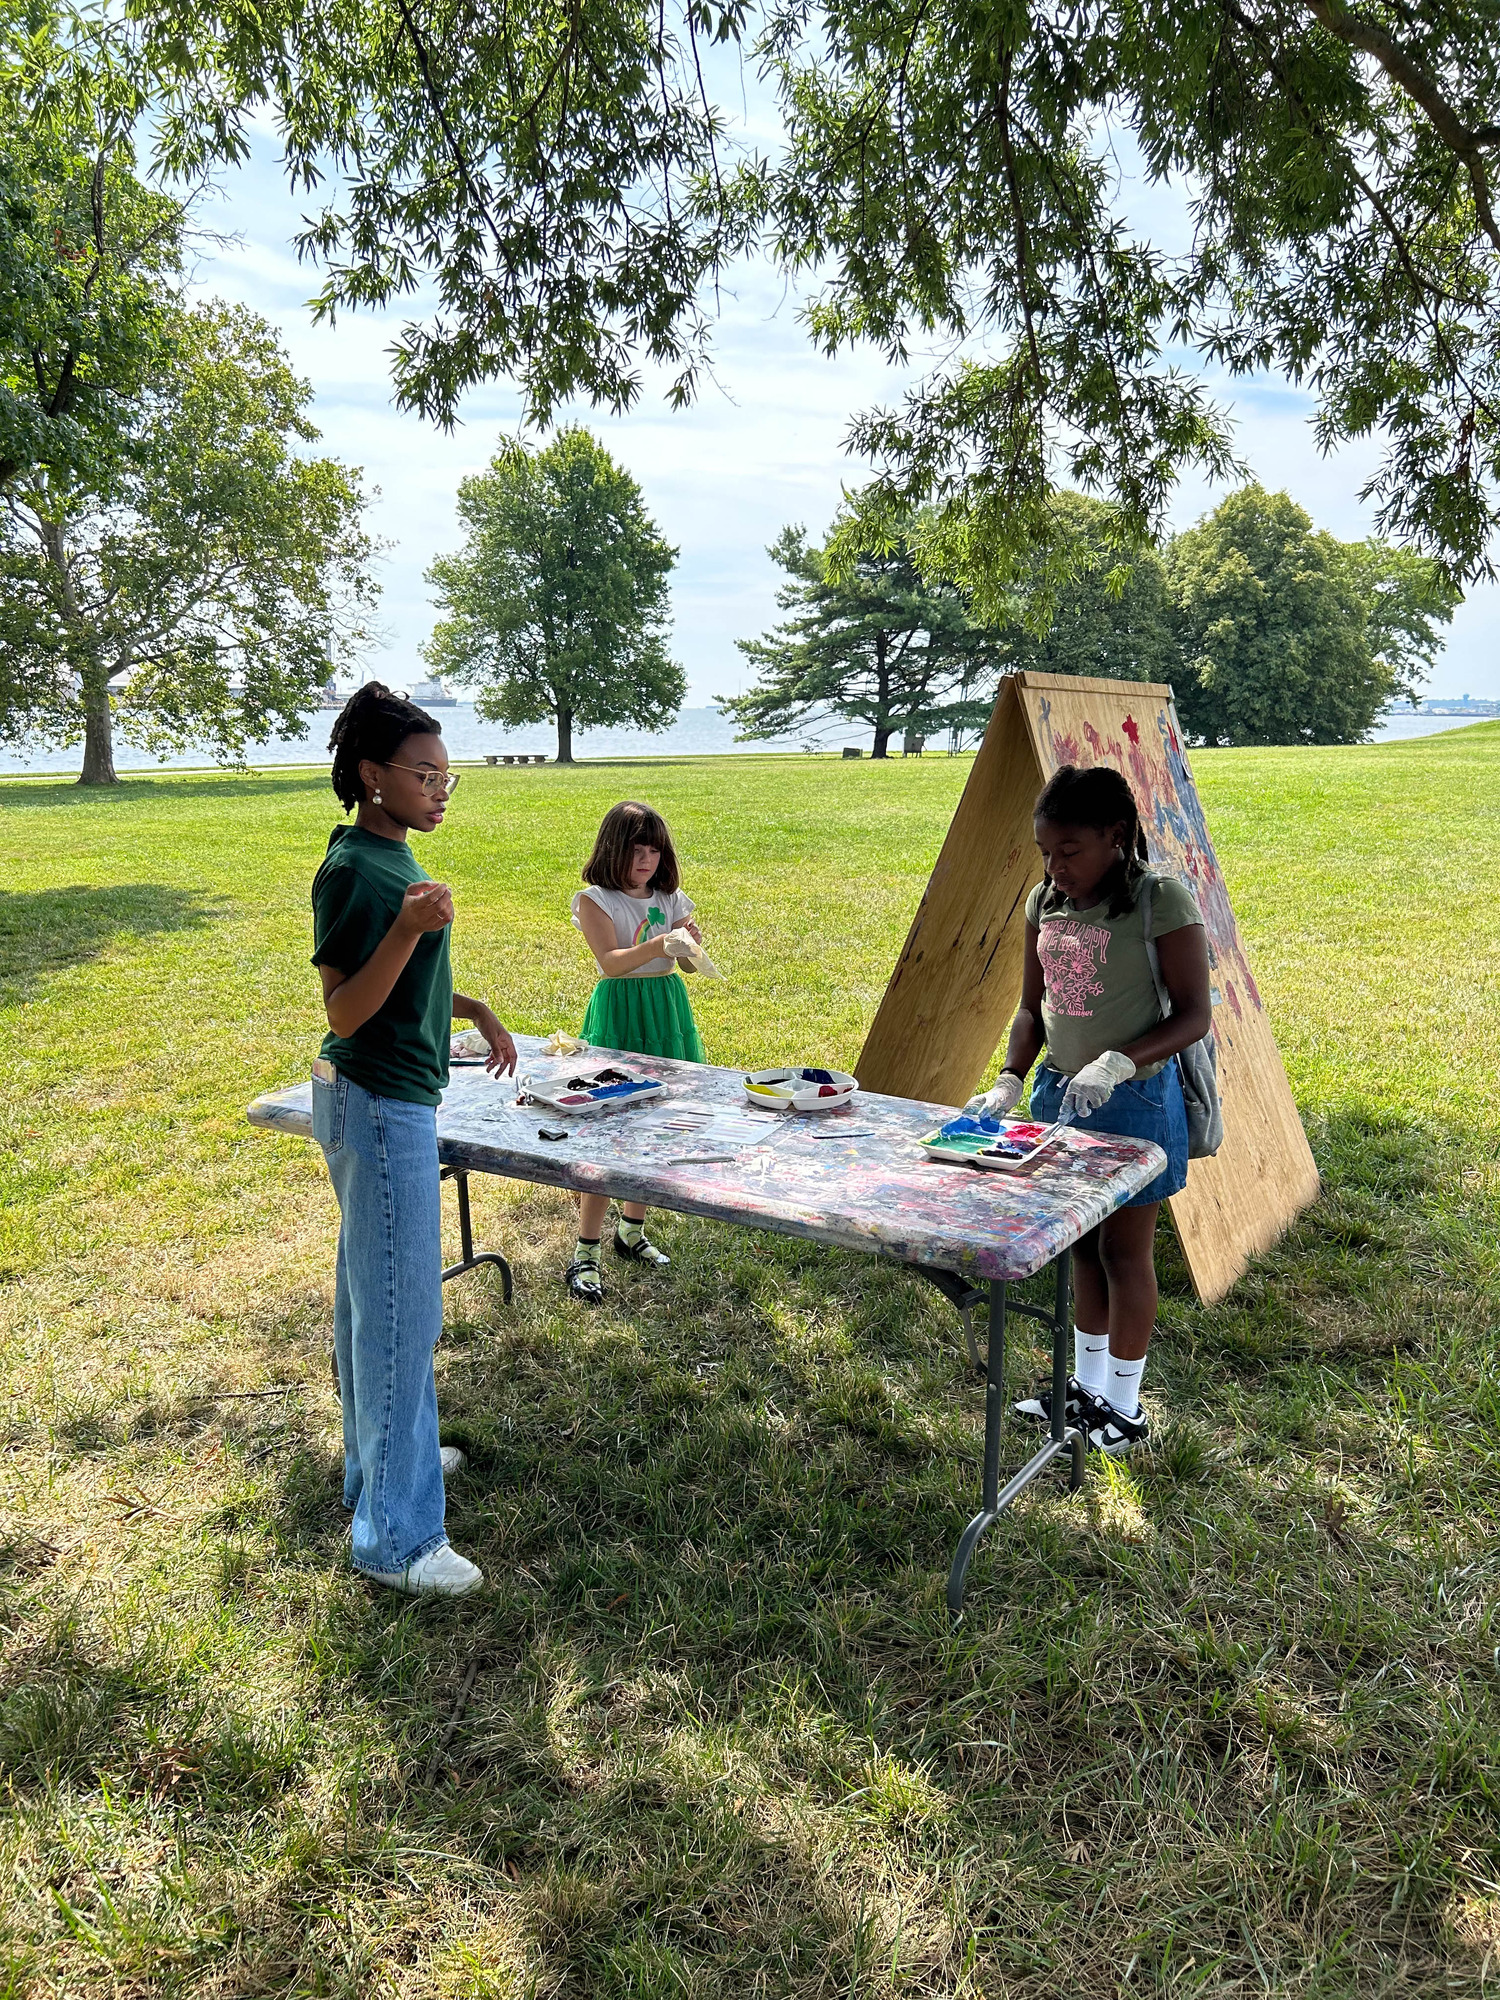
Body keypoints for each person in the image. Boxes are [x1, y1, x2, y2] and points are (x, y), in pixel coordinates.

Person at [310, 682, 517, 1596]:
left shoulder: (385, 854)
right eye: (423, 774)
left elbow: (401, 982)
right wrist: (406, 926)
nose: (439, 790)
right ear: (372, 775)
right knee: (400, 1312)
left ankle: (384, 1467)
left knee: (374, 1302)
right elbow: (346, 1008)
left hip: (386, 1097)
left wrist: (472, 1006)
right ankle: (396, 1540)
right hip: (376, 1100)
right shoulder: (358, 871)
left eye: (446, 777)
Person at [967, 763, 1212, 1454]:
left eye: (1070, 851)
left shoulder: (1160, 901)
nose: (1056, 867)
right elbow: (1031, 1007)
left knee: (1123, 1251)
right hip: (1060, 1097)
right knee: (1079, 1244)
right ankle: (1086, 1387)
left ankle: (1124, 1409)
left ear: (1117, 835)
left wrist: (1119, 1061)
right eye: (1046, 851)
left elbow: (1194, 1014)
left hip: (1133, 1097)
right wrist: (1010, 1078)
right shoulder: (1044, 902)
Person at [566, 800, 707, 1301]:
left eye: (654, 850)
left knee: (654, 1121)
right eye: (635, 850)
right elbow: (610, 963)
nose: (646, 860)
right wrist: (661, 944)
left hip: (665, 1009)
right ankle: (585, 1250)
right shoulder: (596, 900)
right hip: (622, 1011)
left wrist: (690, 946)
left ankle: (631, 1231)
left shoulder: (671, 897)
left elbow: (687, 967)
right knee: (609, 1127)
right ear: (612, 849)